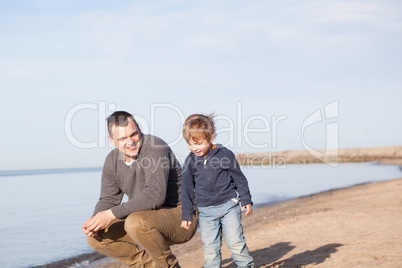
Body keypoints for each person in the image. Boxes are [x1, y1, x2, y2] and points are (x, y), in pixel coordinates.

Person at [82, 111, 198, 268]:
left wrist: (109, 214)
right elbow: (108, 199)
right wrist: (94, 221)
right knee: (96, 237)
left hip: (181, 216)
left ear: (139, 128)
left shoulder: (155, 148)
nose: (130, 142)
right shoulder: (112, 160)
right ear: (111, 140)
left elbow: (154, 196)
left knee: (135, 222)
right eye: (122, 138)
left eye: (134, 134)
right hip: (146, 218)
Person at [180, 113, 254, 268]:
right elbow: (186, 188)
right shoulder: (190, 161)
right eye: (190, 144)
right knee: (210, 248)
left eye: (198, 143)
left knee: (236, 243)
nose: (195, 148)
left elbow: (239, 178)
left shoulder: (224, 154)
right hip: (206, 211)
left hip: (229, 206)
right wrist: (187, 214)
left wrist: (245, 198)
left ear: (211, 136)